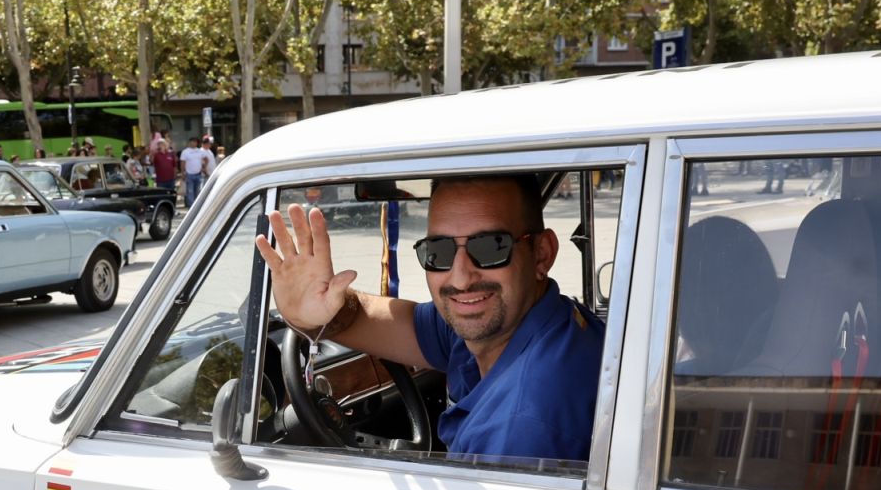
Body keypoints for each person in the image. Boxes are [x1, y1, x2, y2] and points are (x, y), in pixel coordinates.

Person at [255, 174, 604, 462]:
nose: (461, 277)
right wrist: (319, 312)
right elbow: (391, 323)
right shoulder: (515, 322)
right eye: (439, 252)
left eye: (491, 247)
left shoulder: (519, 426)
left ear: (542, 254)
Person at [179, 135, 215, 207]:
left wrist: (203, 167)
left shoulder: (199, 151)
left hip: (198, 174)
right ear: (189, 143)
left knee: (197, 191)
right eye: (192, 142)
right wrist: (182, 173)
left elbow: (206, 159)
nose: (194, 143)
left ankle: (196, 206)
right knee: (190, 192)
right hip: (189, 174)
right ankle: (191, 207)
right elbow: (182, 163)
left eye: (195, 142)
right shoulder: (185, 152)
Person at [151, 132, 176, 197]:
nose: (160, 145)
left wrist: (175, 176)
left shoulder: (171, 154)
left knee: (171, 195)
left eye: (162, 144)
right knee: (162, 195)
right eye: (159, 144)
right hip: (161, 180)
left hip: (171, 179)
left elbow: (174, 166)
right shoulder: (156, 155)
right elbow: (152, 162)